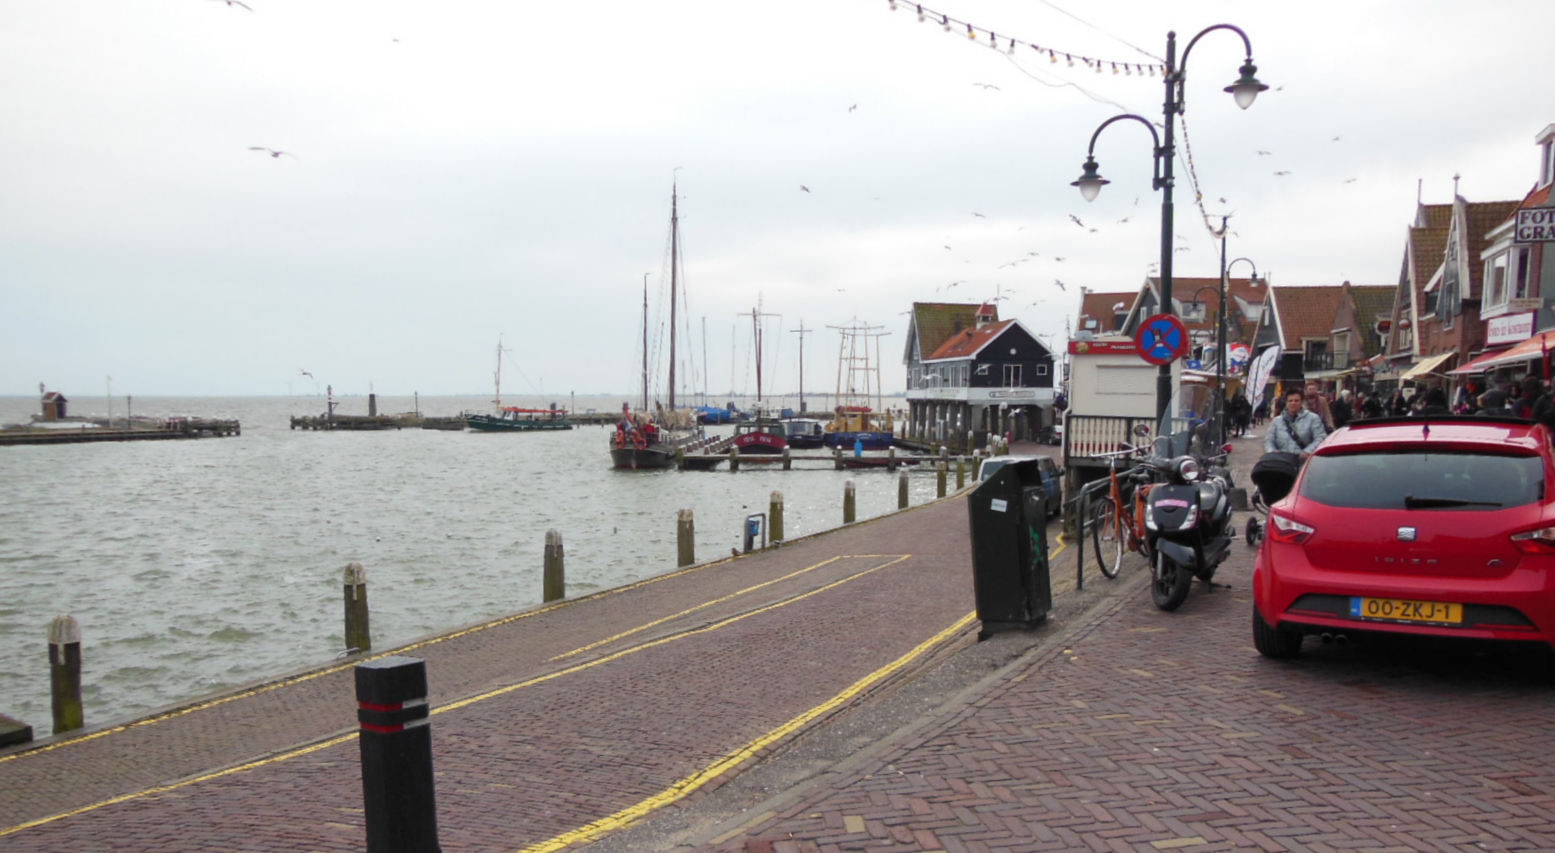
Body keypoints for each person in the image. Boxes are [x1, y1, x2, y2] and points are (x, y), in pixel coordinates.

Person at [1264, 388, 1328, 461]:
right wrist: (1272, 451)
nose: (1293, 403)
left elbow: (1320, 437)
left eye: (1296, 400)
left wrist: (1307, 451)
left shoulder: (1313, 418)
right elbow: (1269, 440)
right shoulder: (1277, 421)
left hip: (1303, 461)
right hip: (1281, 462)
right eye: (1290, 401)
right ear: (1286, 402)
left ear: (1302, 402)